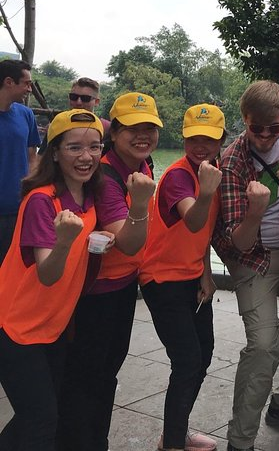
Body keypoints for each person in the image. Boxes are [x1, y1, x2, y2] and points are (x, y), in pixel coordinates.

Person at [57, 92, 161, 451]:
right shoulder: (105, 175)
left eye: (150, 127)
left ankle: (95, 441)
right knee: (85, 378)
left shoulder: (141, 166)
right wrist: (143, 203)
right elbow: (128, 241)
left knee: (107, 374)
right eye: (133, 128)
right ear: (114, 132)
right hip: (93, 294)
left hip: (123, 286)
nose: (142, 135)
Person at [0, 109, 107, 450]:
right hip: (16, 327)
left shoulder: (88, 197)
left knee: (38, 415)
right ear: (56, 152)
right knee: (41, 421)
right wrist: (65, 241)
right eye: (74, 147)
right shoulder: (41, 200)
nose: (86, 156)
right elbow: (47, 273)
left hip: (52, 327)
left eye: (95, 147)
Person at [212, 80, 279, 451]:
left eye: (274, 127)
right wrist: (256, 210)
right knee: (264, 347)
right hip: (254, 257)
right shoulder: (233, 161)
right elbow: (239, 240)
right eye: (257, 128)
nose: (267, 136)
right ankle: (240, 441)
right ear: (245, 121)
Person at [139, 104, 225, 451]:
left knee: (203, 355)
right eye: (193, 138)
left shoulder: (211, 172)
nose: (200, 145)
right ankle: (173, 442)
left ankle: (176, 429)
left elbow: (200, 234)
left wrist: (206, 273)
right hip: (162, 279)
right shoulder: (178, 175)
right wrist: (206, 190)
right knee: (187, 360)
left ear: (220, 140)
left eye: (208, 138)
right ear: (184, 137)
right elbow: (192, 219)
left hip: (191, 277)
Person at [0, 59, 40, 264]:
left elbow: (32, 157)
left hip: (18, 210)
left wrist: (31, 194)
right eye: (26, 83)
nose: (30, 89)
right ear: (9, 82)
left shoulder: (26, 115)